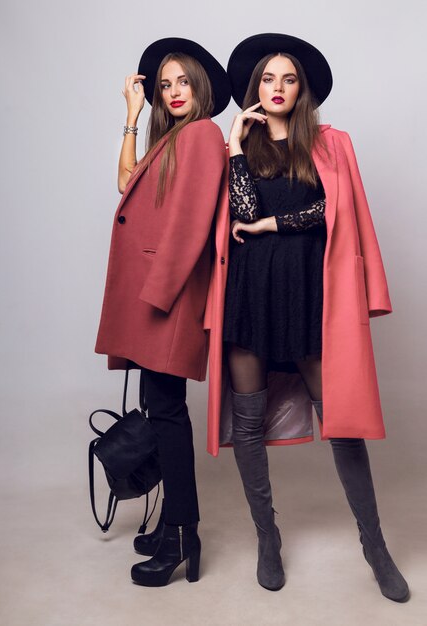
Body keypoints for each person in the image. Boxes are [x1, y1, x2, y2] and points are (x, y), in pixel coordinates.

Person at [205, 33, 409, 601]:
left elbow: (327, 211)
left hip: (305, 293)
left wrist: (273, 226)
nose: (277, 88)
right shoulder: (239, 148)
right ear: (254, 88)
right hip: (249, 293)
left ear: (302, 90)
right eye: (268, 79)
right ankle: (267, 538)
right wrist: (234, 150)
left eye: (288, 79)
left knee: (339, 420)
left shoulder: (329, 143)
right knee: (247, 422)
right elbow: (239, 213)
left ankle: (376, 547)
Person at [95, 37, 231, 587]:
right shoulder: (171, 137)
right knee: (161, 408)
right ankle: (176, 527)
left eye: (183, 81)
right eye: (164, 85)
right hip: (154, 296)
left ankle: (181, 536)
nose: (174, 92)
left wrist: (158, 295)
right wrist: (131, 116)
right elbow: (126, 183)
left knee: (168, 414)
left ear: (200, 87)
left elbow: (191, 227)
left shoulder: (202, 134)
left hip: (165, 298)